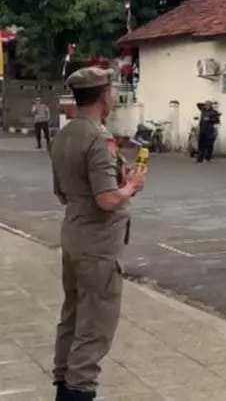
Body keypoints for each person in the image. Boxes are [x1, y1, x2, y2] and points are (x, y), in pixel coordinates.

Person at [50, 66, 148, 401]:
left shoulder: (63, 135)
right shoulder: (97, 137)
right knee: (94, 328)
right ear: (104, 96)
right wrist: (130, 187)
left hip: (74, 236)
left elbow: (61, 191)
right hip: (97, 248)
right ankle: (78, 393)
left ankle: (64, 388)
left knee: (72, 317)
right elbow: (106, 199)